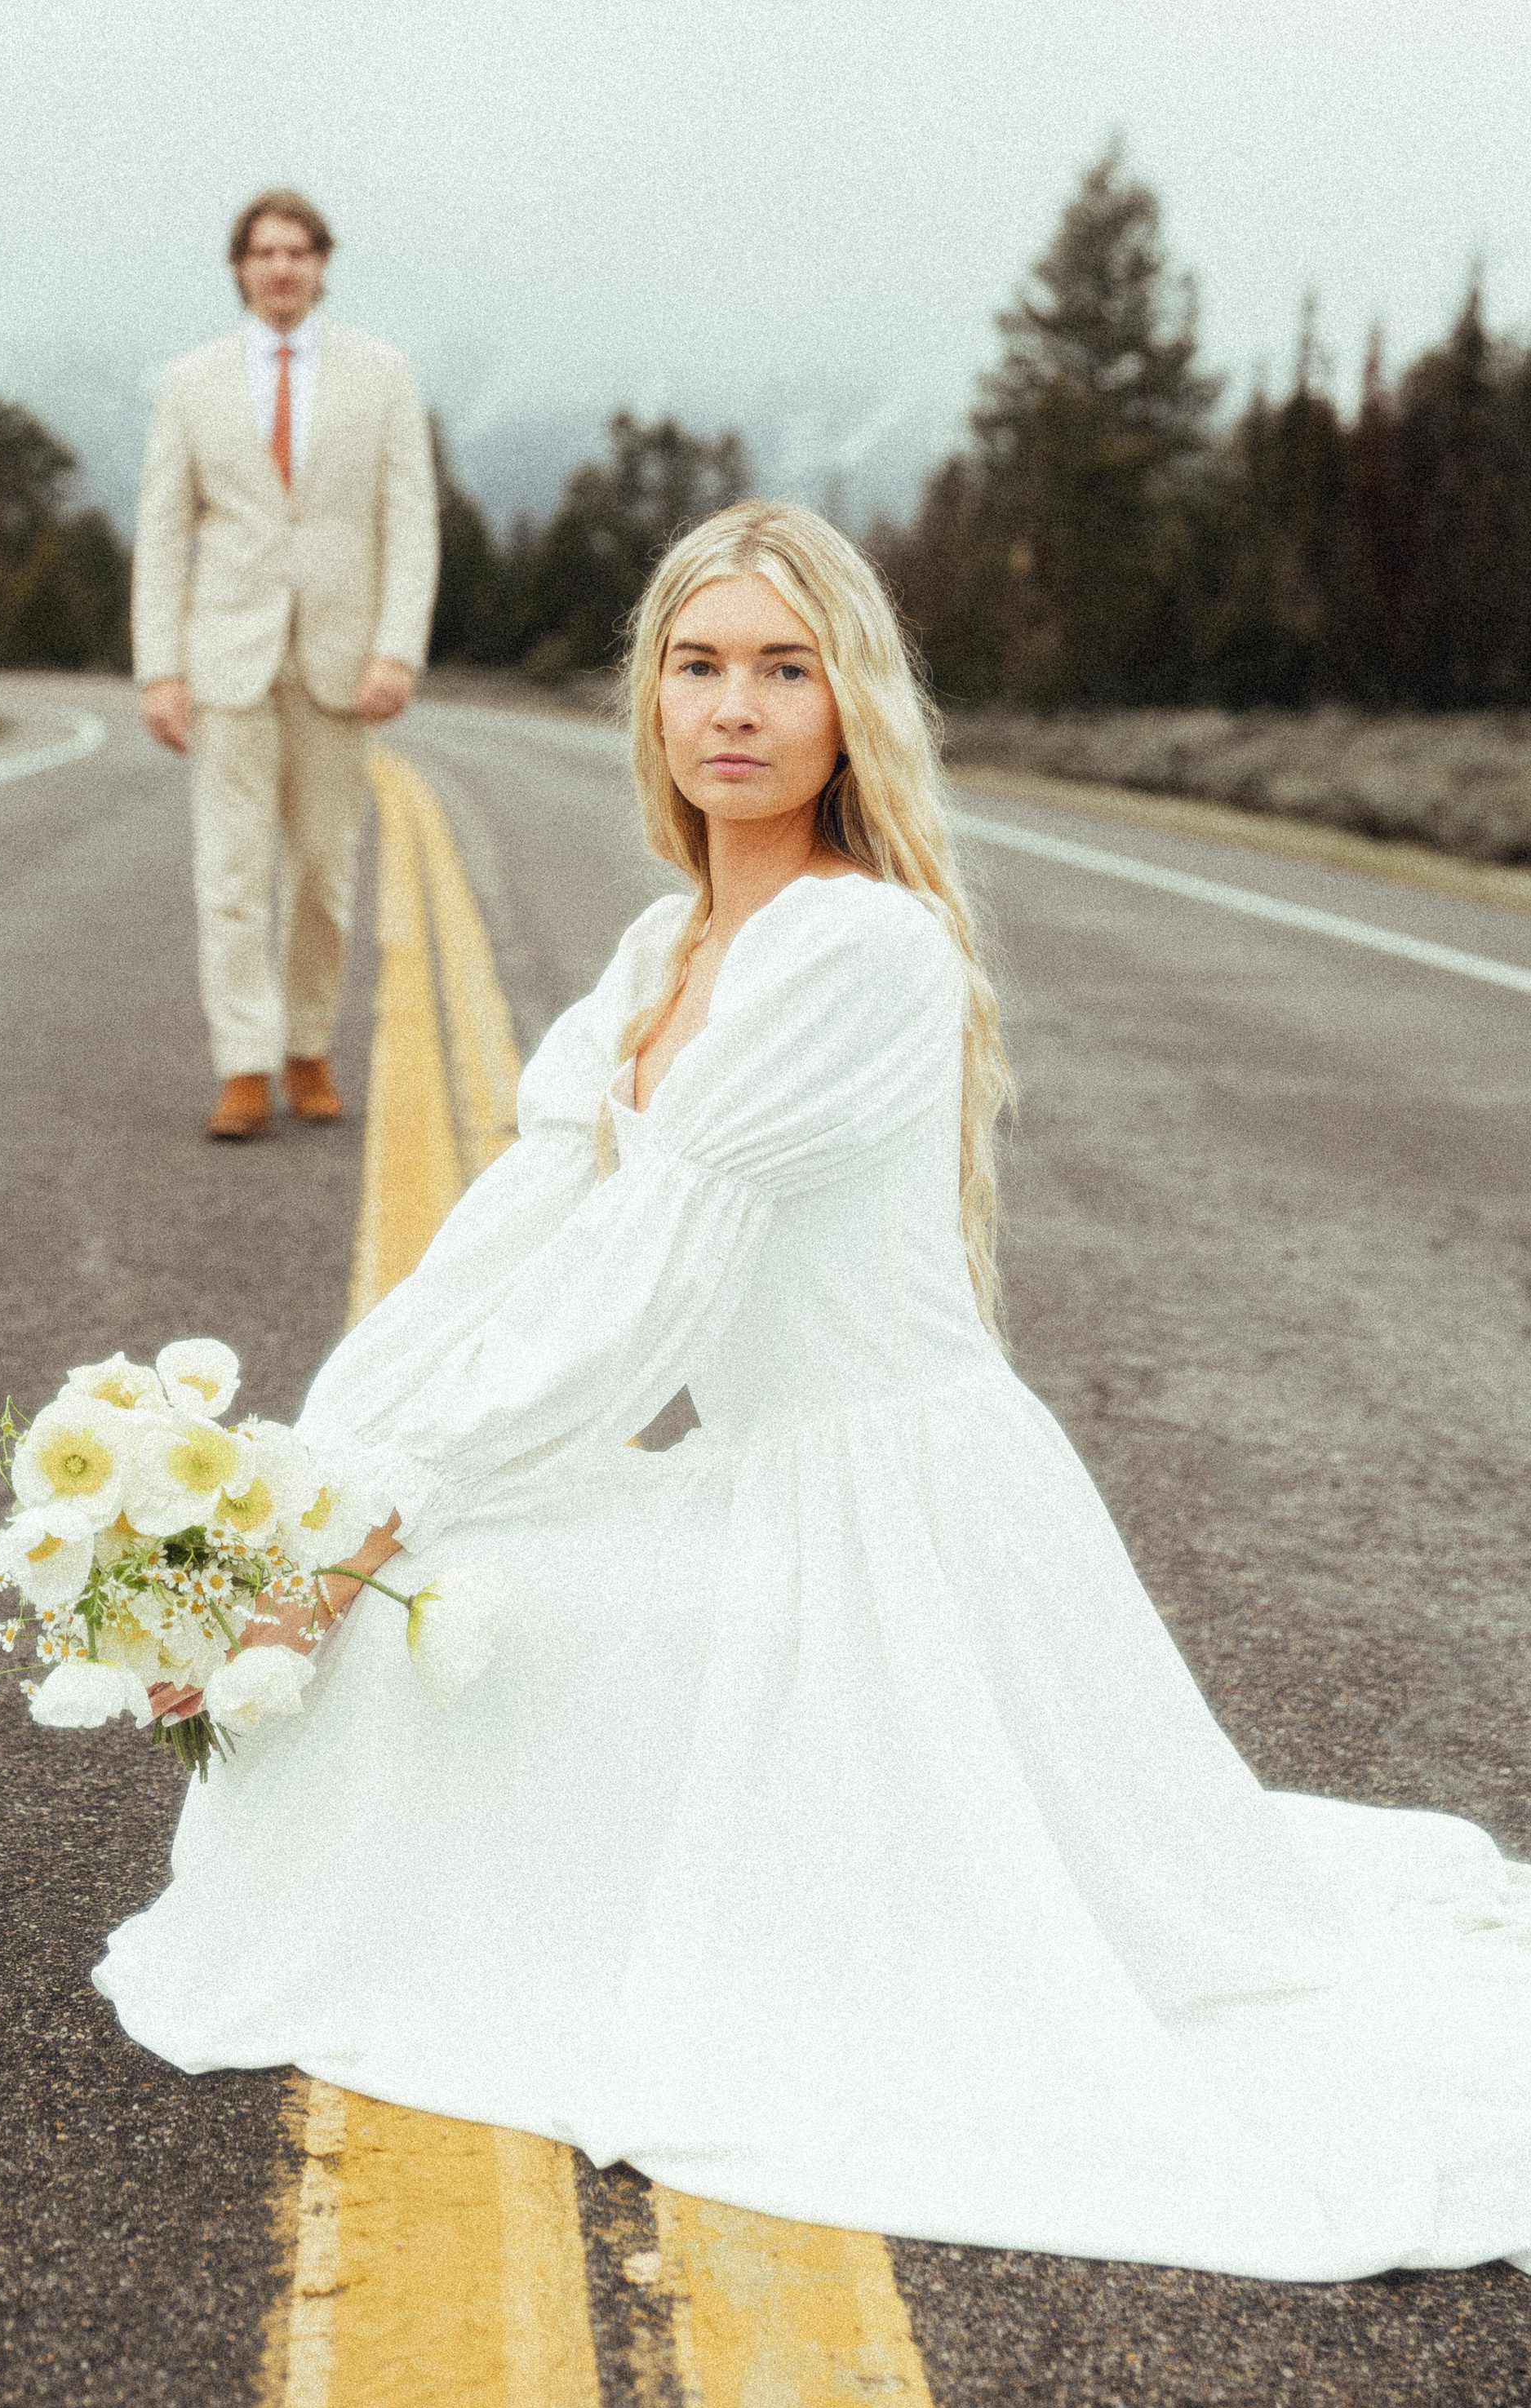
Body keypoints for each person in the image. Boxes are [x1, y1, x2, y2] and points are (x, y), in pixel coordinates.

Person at [96, 501, 1531, 2282]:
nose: (736, 708)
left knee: (431, 1615)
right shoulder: (658, 952)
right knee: (417, 1610)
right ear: (650, 701)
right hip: (758, 1483)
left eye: (785, 669)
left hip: (894, 1526)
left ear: (850, 704)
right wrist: (294, 1489)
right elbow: (505, 1252)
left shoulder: (859, 950)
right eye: (697, 666)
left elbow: (628, 1313)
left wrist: (358, 1532)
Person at [135, 191, 439, 1141]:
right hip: (224, 657)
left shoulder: (381, 375)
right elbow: (159, 532)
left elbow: (411, 521)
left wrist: (396, 648)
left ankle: (308, 1044)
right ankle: (244, 1061)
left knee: (322, 871)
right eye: (263, 253)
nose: (280, 269)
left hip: (339, 662)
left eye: (297, 252)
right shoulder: (188, 383)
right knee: (229, 875)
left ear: (320, 264)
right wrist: (160, 668)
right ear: (239, 266)